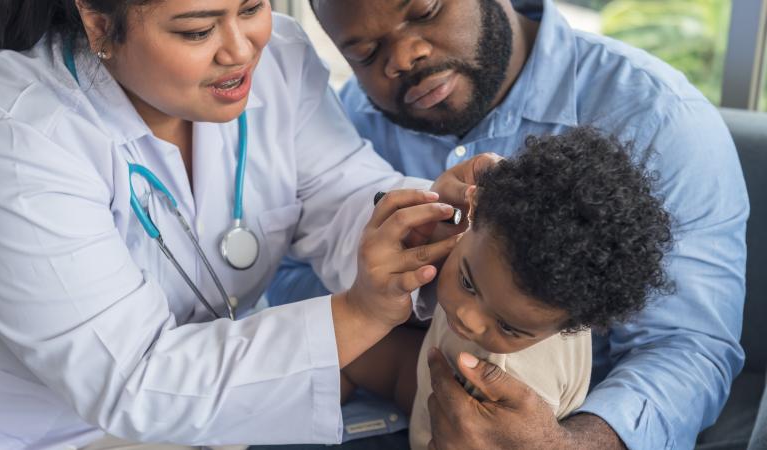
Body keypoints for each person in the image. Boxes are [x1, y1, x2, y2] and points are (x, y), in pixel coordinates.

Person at [0, 1, 485, 449]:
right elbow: (131, 380)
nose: (240, 49)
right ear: (99, 24)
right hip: (21, 433)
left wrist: (425, 224)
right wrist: (359, 314)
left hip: (199, 415)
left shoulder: (278, 57)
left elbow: (342, 193)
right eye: (197, 30)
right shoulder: (10, 133)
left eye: (253, 7)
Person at [269, 0, 750, 448]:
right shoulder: (349, 122)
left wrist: (570, 443)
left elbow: (686, 349)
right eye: (365, 52)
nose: (403, 56)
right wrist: (399, 287)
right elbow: (291, 278)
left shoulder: (659, 120)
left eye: (424, 11)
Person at [338, 127, 674, 450]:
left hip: (455, 429)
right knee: (345, 352)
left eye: (507, 326)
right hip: (437, 372)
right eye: (468, 283)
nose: (468, 317)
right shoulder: (493, 246)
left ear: (571, 325)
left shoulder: (516, 382)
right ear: (475, 207)